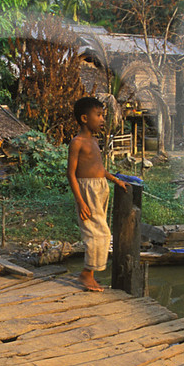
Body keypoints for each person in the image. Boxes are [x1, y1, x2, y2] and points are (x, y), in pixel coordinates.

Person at [68, 96, 130, 292]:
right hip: (87, 190)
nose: (103, 119)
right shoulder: (77, 142)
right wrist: (80, 201)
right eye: (99, 115)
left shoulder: (94, 141)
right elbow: (70, 173)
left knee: (100, 231)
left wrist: (115, 180)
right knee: (98, 233)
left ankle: (90, 274)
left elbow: (99, 168)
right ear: (85, 118)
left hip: (101, 188)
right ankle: (86, 274)